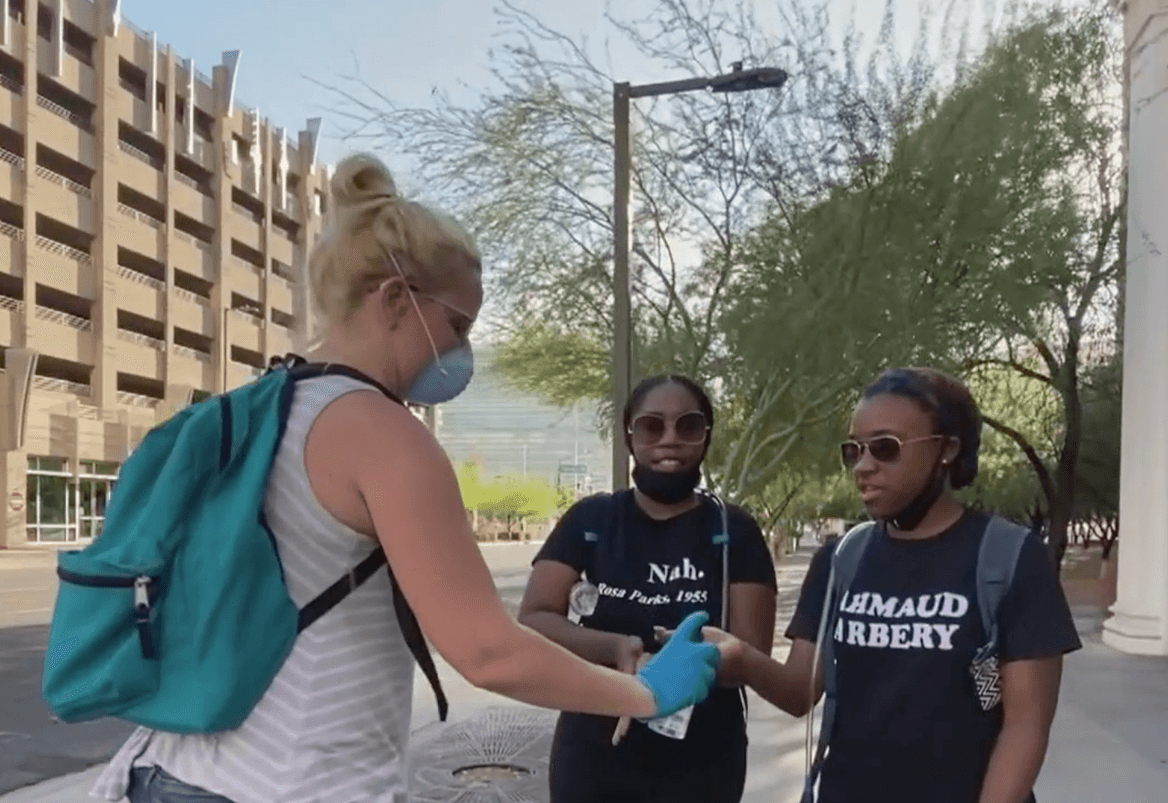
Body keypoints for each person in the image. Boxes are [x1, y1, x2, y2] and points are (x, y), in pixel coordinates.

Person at [89, 154, 722, 803]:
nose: (459, 351)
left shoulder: (253, 409)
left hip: (164, 771)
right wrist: (645, 693)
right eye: (457, 325)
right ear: (395, 300)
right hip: (295, 787)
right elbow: (487, 651)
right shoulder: (383, 435)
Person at [704, 367, 1081, 803]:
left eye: (886, 448)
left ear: (947, 449)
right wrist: (742, 659)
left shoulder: (1009, 558)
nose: (864, 466)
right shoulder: (840, 560)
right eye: (854, 450)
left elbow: (1025, 728)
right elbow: (799, 692)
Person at [519, 375, 778, 803]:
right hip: (592, 755)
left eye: (688, 425)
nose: (669, 439)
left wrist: (682, 663)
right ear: (629, 437)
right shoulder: (591, 520)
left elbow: (752, 654)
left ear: (706, 437)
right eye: (651, 426)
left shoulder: (735, 530)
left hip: (704, 763)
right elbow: (534, 618)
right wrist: (618, 648)